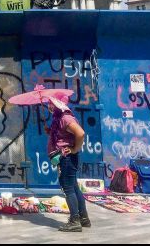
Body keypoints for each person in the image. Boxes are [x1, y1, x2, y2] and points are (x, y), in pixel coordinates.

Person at [46, 96, 89, 233]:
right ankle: (84, 218)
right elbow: (65, 134)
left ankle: (74, 221)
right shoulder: (59, 119)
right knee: (74, 187)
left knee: (68, 188)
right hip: (67, 158)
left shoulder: (65, 118)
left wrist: (75, 149)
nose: (49, 106)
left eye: (51, 103)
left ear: (58, 104)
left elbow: (80, 133)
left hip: (67, 158)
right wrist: (52, 132)